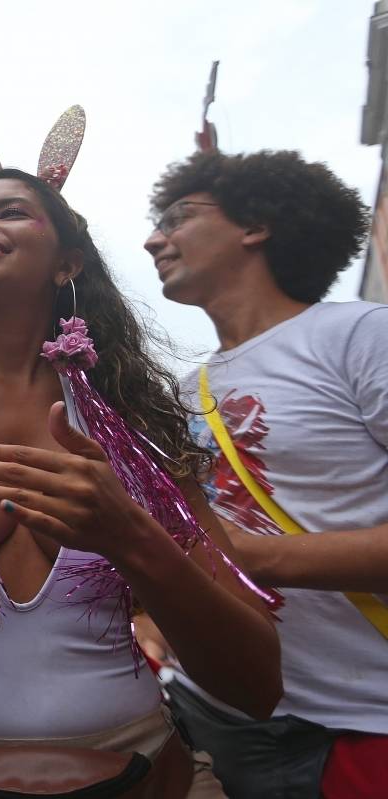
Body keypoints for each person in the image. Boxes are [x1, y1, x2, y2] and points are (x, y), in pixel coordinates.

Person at [0, 115, 281, 798]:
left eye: (10, 211)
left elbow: (255, 682)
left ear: (69, 262)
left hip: (137, 770)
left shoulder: (132, 419)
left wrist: (129, 535)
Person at [143, 149, 385, 798]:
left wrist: (249, 557)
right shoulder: (187, 389)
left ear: (256, 225)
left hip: (352, 727)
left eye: (178, 217)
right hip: (206, 708)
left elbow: (225, 545)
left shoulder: (361, 335)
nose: (152, 237)